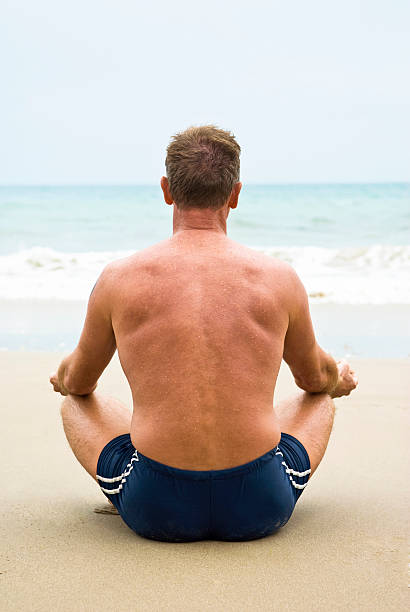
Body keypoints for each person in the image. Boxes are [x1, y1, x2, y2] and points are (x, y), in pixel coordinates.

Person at [50, 125, 358, 542]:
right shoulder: (278, 278)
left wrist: (63, 376)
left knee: (75, 403)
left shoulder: (119, 278)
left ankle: (133, 486)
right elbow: (314, 378)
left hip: (156, 506)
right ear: (234, 194)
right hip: (259, 504)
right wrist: (338, 377)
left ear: (166, 190)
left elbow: (79, 381)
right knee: (319, 396)